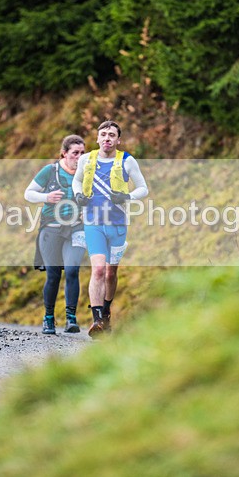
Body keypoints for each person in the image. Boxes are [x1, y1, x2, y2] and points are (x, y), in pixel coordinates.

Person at [72, 121, 148, 337]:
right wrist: (78, 194)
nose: (107, 138)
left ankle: (106, 311)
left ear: (118, 140)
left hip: (117, 224)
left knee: (110, 272)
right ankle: (96, 320)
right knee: (97, 269)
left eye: (111, 135)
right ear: (97, 139)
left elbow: (143, 188)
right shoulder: (86, 160)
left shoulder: (127, 160)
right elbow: (77, 181)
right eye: (103, 134)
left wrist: (127, 196)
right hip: (92, 222)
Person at [24, 135, 86, 334]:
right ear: (64, 154)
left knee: (72, 270)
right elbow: (29, 193)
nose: (79, 157)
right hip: (51, 228)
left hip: (77, 227)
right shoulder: (50, 171)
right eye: (75, 153)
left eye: (83, 153)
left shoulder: (87, 174)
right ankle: (49, 318)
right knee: (53, 275)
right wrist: (46, 197)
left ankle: (71, 319)